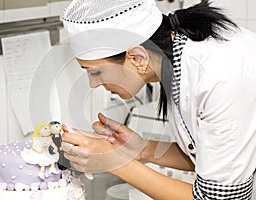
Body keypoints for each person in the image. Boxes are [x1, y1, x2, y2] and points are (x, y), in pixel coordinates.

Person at [59, 0, 256, 199]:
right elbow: (213, 157)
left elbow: (222, 198)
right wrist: (142, 149)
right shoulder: (175, 56)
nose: (92, 84)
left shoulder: (220, 76)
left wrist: (115, 162)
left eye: (96, 72)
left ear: (137, 58)